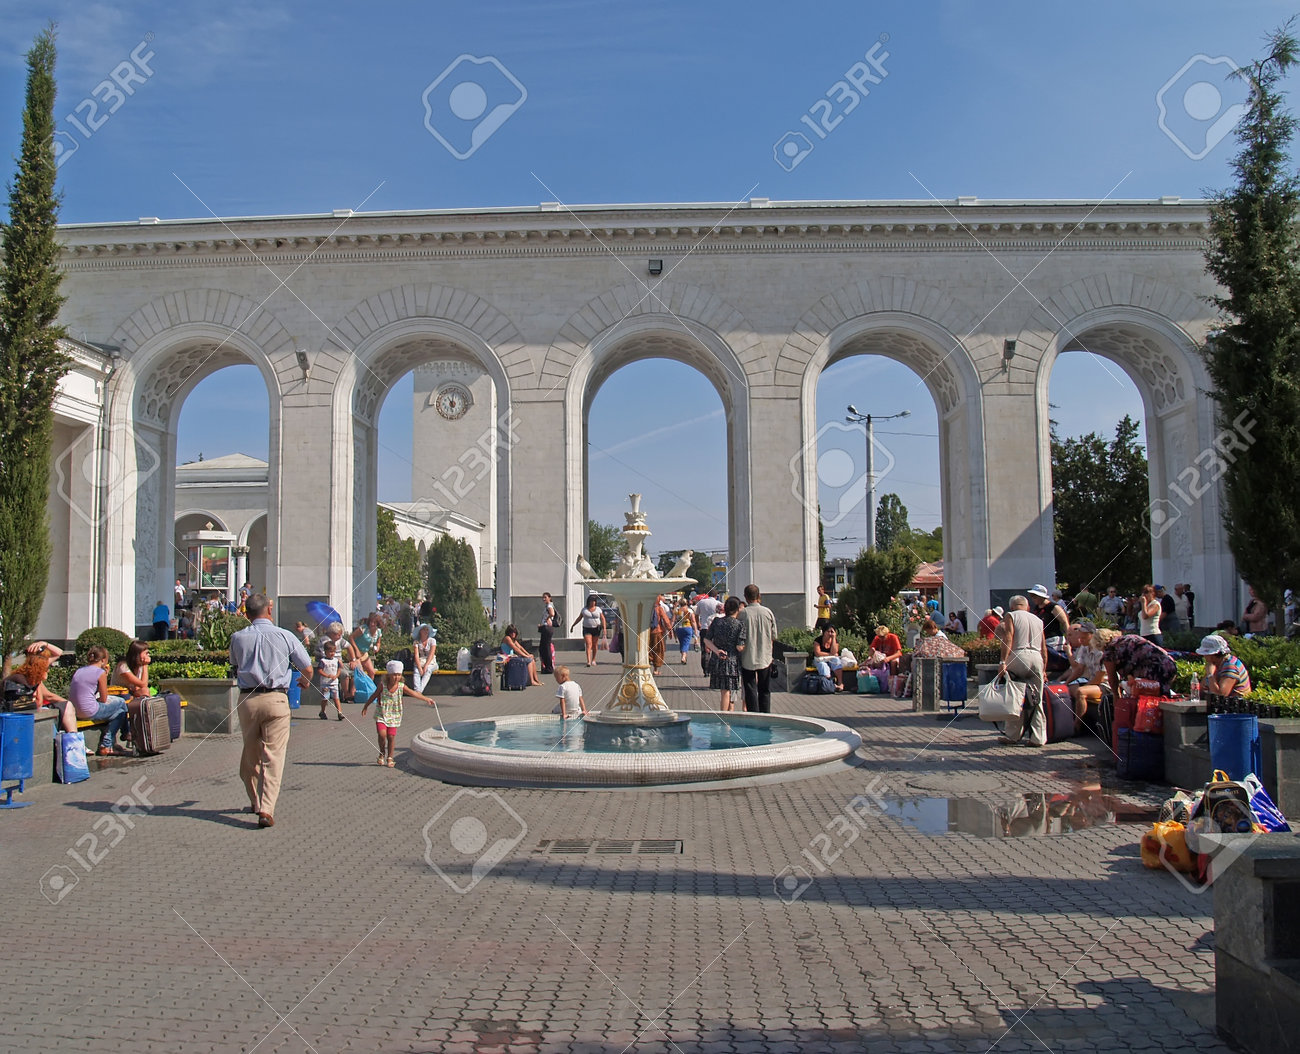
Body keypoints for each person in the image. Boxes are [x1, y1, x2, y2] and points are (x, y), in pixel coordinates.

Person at [229, 595, 313, 828]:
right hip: (277, 698)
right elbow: (306, 666)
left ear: (246, 613)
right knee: (273, 756)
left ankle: (255, 801)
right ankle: (266, 809)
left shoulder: (237, 638)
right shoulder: (285, 636)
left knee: (250, 753)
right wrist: (305, 682)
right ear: (269, 609)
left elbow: (234, 665)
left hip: (248, 698)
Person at [360, 659, 436, 767]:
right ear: (389, 675)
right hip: (381, 713)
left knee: (390, 736)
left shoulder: (401, 686)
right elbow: (374, 695)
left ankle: (390, 757)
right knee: (382, 735)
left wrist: (426, 699)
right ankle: (382, 753)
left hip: (394, 714)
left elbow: (413, 693)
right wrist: (366, 706)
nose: (396, 677)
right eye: (394, 675)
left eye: (399, 675)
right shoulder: (383, 685)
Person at [998, 595, 1048, 747]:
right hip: (1036, 656)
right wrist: (1044, 668)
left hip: (1019, 655)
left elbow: (1008, 638)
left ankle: (1012, 735)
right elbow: (1044, 646)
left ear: (1012, 606)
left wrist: (1002, 661)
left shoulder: (1011, 616)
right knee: (1037, 699)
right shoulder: (1038, 620)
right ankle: (1038, 737)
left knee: (1014, 697)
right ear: (1027, 607)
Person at [69, 645, 131, 756]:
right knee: (121, 702)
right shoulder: (100, 673)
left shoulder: (79, 671)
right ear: (103, 660)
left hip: (75, 711)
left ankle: (108, 745)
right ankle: (124, 734)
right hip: (90, 711)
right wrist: (105, 675)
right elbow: (103, 699)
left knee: (120, 713)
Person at [5, 642, 77, 734]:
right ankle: (75, 742)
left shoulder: (22, 673)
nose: (49, 667)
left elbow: (59, 653)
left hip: (17, 713)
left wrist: (43, 643)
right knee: (64, 709)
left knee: (67, 706)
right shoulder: (31, 679)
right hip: (25, 714)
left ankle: (74, 741)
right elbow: (38, 703)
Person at [737, 584, 777, 714]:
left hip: (747, 656)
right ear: (759, 596)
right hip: (765, 656)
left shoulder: (742, 614)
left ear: (746, 597)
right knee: (765, 688)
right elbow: (774, 635)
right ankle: (766, 714)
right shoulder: (768, 612)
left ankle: (754, 714)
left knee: (750, 688)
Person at [1102, 632, 1177, 699]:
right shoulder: (1129, 638)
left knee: (1150, 703)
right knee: (1163, 698)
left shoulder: (1109, 651)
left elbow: (1112, 679)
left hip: (1154, 670)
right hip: (1169, 664)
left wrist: (1116, 696)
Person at [704, 596, 745, 711]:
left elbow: (706, 639)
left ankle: (727, 716)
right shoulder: (739, 624)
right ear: (737, 609)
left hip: (718, 660)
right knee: (727, 692)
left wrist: (716, 651)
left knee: (724, 692)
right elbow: (740, 647)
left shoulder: (717, 621)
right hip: (732, 661)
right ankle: (725, 719)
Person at [1028, 584, 1069, 650]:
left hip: (1054, 640)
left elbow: (1064, 622)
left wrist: (1068, 639)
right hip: (1042, 640)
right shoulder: (1036, 609)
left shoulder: (1054, 607)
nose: (1033, 598)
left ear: (1042, 596)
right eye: (1031, 596)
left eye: (1035, 596)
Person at [570, 595, 607, 668]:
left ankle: (594, 659)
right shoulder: (584, 609)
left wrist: (604, 628)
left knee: (594, 644)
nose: (593, 603)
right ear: (588, 602)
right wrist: (573, 625)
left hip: (596, 628)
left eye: (594, 601)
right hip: (587, 628)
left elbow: (603, 619)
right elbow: (579, 618)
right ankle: (588, 661)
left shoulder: (598, 609)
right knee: (588, 643)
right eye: (591, 601)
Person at [314, 640, 344, 721]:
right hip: (325, 683)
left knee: (336, 698)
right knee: (325, 699)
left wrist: (337, 675)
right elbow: (319, 670)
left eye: (334, 652)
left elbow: (339, 669)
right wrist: (327, 675)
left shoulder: (336, 660)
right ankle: (322, 711)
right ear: (325, 652)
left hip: (334, 683)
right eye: (330, 652)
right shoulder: (323, 661)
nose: (332, 653)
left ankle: (339, 712)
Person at [695, 590, 722, 676]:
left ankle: (705, 670)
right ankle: (714, 669)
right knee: (715, 648)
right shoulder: (718, 603)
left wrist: (698, 623)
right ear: (716, 595)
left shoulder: (701, 602)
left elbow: (697, 614)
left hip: (704, 628)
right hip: (715, 628)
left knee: (704, 650)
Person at [810, 626, 846, 691]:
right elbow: (818, 653)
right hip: (819, 659)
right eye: (828, 631)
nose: (830, 633)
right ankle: (829, 683)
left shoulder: (834, 641)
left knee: (837, 661)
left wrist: (834, 638)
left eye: (832, 632)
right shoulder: (818, 640)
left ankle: (840, 683)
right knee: (823, 665)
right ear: (824, 632)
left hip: (830, 659)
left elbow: (834, 651)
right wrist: (830, 654)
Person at [649, 594, 672, 675]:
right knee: (658, 650)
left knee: (648, 649)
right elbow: (666, 620)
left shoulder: (646, 608)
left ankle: (647, 666)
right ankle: (655, 669)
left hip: (647, 632)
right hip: (657, 631)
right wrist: (670, 630)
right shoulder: (659, 608)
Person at [412, 624, 437, 694]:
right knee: (416, 670)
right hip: (421, 661)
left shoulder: (432, 641)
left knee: (428, 670)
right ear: (420, 631)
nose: (426, 631)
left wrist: (426, 665)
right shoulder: (416, 642)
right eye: (424, 629)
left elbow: (432, 654)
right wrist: (420, 668)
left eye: (427, 630)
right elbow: (416, 655)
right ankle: (417, 689)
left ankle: (419, 691)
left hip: (431, 662)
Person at [673, 596, 697, 664]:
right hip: (687, 628)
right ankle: (683, 656)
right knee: (686, 643)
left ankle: (683, 656)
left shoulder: (677, 610)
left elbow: (673, 620)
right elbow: (693, 621)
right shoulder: (690, 611)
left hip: (679, 628)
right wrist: (695, 630)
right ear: (686, 603)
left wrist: (671, 629)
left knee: (682, 643)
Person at [538, 592, 557, 674]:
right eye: (543, 597)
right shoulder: (548, 605)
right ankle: (546, 666)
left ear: (549, 597)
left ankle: (548, 667)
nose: (544, 599)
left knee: (545, 647)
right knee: (543, 647)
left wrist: (547, 619)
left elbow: (552, 613)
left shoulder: (549, 605)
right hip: (545, 627)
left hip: (547, 628)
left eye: (545, 597)